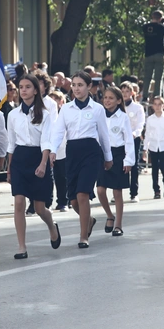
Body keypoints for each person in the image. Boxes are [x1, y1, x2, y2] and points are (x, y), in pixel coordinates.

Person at [49, 71, 113, 248]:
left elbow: (103, 135)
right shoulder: (66, 109)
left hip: (91, 152)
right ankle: (89, 220)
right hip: (73, 152)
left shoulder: (98, 109)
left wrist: (108, 157)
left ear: (88, 87)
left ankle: (83, 236)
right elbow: (58, 132)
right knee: (74, 200)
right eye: (74, 85)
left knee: (83, 194)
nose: (76, 89)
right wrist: (53, 151)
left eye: (80, 85)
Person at [6, 75, 60, 257]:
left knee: (39, 208)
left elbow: (46, 141)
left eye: (28, 87)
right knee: (19, 202)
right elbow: (11, 143)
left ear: (36, 90)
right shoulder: (12, 115)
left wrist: (43, 164)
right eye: (21, 87)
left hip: (38, 157)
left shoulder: (45, 114)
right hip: (20, 159)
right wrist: (9, 167)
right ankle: (22, 247)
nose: (23, 90)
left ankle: (52, 226)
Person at [96, 85, 134, 237]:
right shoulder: (99, 115)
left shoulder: (123, 117)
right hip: (103, 154)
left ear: (119, 101)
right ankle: (109, 215)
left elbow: (129, 140)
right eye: (105, 97)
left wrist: (128, 160)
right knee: (100, 189)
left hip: (118, 154)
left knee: (117, 192)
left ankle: (118, 224)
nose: (107, 101)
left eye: (111, 98)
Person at [144, 96, 164, 200]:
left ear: (163, 105)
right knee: (155, 168)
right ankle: (156, 189)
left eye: (159, 104)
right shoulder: (150, 119)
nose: (157, 106)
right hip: (153, 146)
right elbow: (147, 134)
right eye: (155, 104)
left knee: (163, 166)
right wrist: (145, 148)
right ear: (153, 106)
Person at [140, 10, 164, 100]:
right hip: (159, 53)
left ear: (152, 17)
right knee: (158, 78)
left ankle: (145, 96)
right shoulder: (161, 27)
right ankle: (156, 96)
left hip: (148, 54)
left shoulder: (145, 27)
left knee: (147, 77)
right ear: (160, 18)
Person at [121, 82, 145, 203]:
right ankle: (117, 191)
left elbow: (140, 123)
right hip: (120, 139)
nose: (125, 94)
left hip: (133, 138)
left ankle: (134, 192)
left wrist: (135, 133)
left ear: (132, 93)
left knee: (133, 164)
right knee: (120, 164)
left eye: (127, 91)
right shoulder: (118, 107)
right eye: (123, 91)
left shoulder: (137, 107)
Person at [48, 91, 68, 211]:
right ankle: (47, 201)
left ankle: (63, 201)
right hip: (49, 148)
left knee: (62, 177)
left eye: (55, 99)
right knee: (50, 177)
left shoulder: (65, 114)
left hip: (63, 149)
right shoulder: (46, 114)